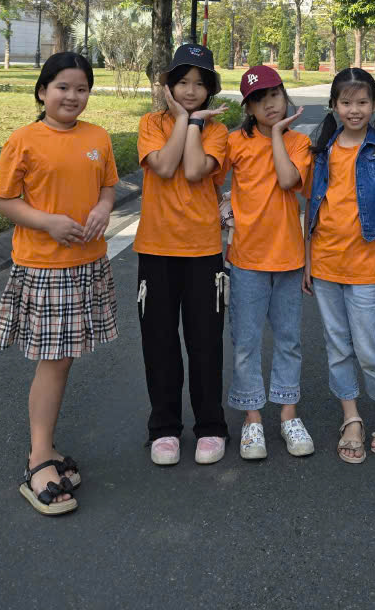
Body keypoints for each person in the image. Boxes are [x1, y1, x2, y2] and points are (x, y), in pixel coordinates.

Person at [0, 52, 119, 516]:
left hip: (88, 261)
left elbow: (106, 186)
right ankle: (38, 460)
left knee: (63, 361)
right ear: (42, 91)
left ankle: (46, 450)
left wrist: (105, 208)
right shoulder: (24, 139)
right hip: (46, 266)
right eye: (62, 87)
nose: (72, 96)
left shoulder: (97, 137)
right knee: (54, 361)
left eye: (81, 88)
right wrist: (47, 223)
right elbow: (5, 200)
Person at [303, 67, 375, 464]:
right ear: (333, 105)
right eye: (346, 102)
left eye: (362, 102)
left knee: (369, 345)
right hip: (326, 261)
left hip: (368, 262)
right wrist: (306, 261)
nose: (354, 110)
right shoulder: (322, 149)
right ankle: (351, 418)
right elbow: (310, 208)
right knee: (337, 345)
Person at [134, 44, 230, 466]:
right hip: (155, 248)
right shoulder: (150, 123)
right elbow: (165, 166)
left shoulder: (217, 131)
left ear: (210, 89)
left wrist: (192, 124)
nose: (191, 90)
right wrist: (180, 120)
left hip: (204, 250)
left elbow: (193, 170)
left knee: (205, 343)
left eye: (199, 83)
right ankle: (164, 429)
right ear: (168, 85)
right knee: (159, 344)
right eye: (183, 82)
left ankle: (210, 427)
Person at [225, 65, 315, 460]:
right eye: (259, 100)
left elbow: (286, 180)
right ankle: (253, 419)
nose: (269, 105)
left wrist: (277, 134)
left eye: (274, 96)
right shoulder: (234, 143)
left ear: (284, 96)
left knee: (289, 340)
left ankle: (288, 414)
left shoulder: (298, 143)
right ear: (248, 108)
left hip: (289, 257)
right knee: (245, 343)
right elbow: (205, 180)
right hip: (246, 258)